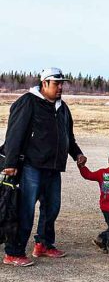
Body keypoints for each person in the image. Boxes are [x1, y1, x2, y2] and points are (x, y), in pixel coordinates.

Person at [1, 68, 87, 267]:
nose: (60, 87)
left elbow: (67, 136)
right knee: (25, 210)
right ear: (45, 83)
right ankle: (13, 252)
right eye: (56, 83)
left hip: (53, 167)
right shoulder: (27, 102)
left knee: (52, 207)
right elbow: (14, 134)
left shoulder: (62, 107)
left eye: (61, 83)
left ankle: (44, 244)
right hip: (31, 166)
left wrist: (77, 154)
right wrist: (11, 163)